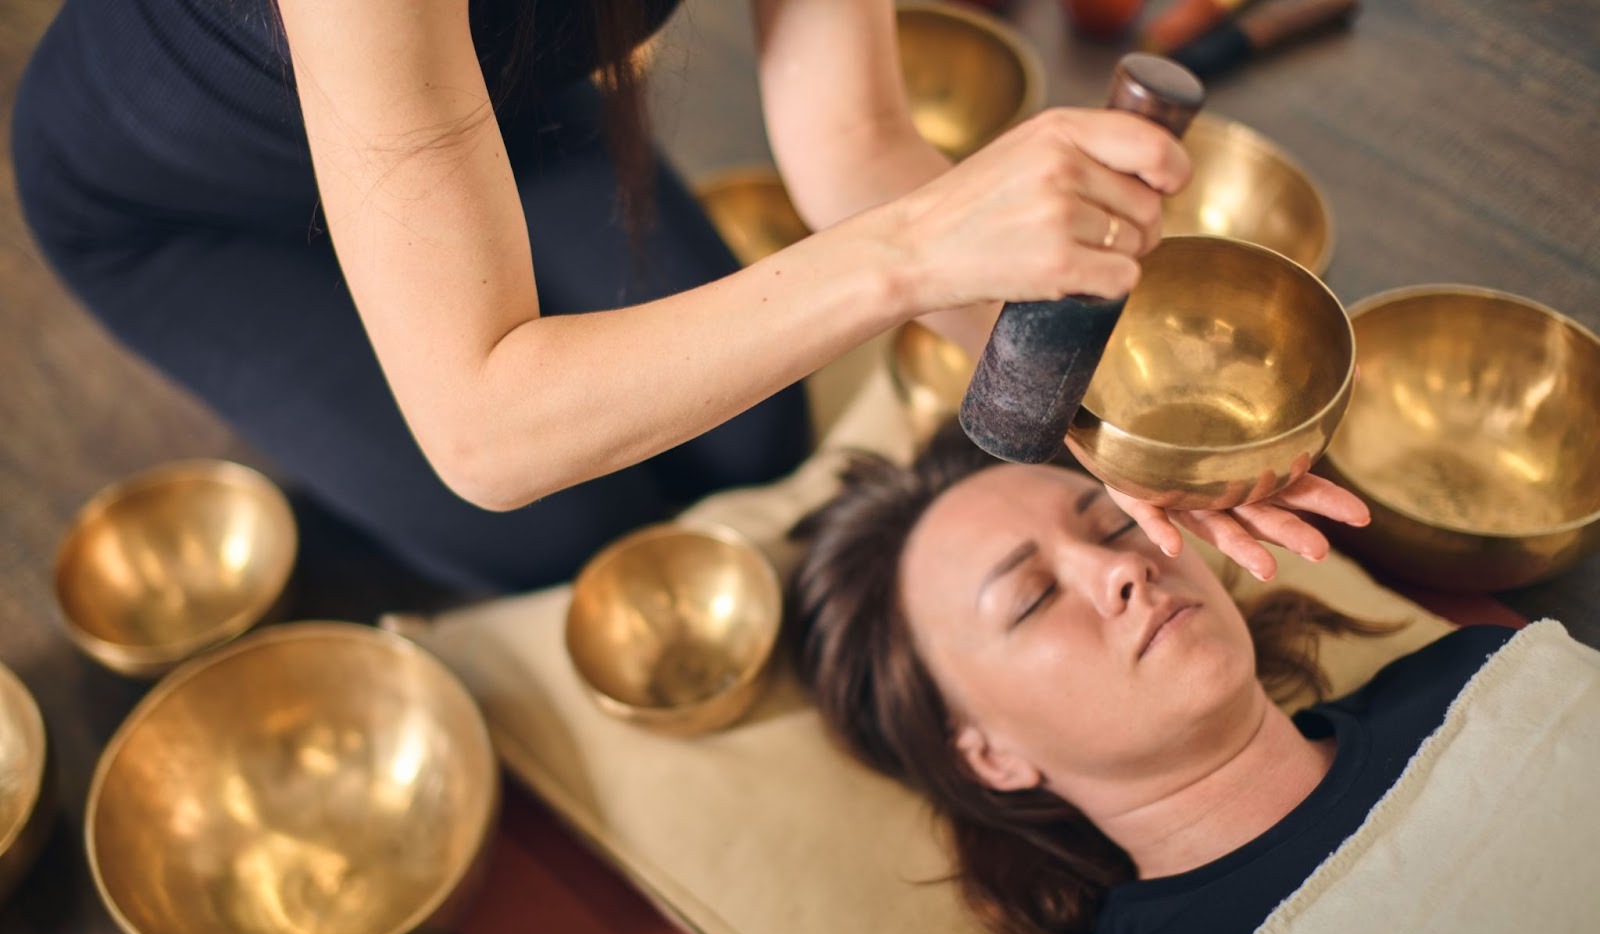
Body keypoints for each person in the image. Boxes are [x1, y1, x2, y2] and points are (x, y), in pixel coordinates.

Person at [12, 0, 1357, 591]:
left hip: (494, 117)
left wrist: (1107, 421)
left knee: (755, 435)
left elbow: (851, 147)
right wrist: (917, 250)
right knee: (563, 527)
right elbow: (488, 432)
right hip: (196, 212)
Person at [787, 422, 1518, 934]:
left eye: (1112, 526)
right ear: (992, 757)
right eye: (1034, 598)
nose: (1121, 567)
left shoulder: (1482, 680)